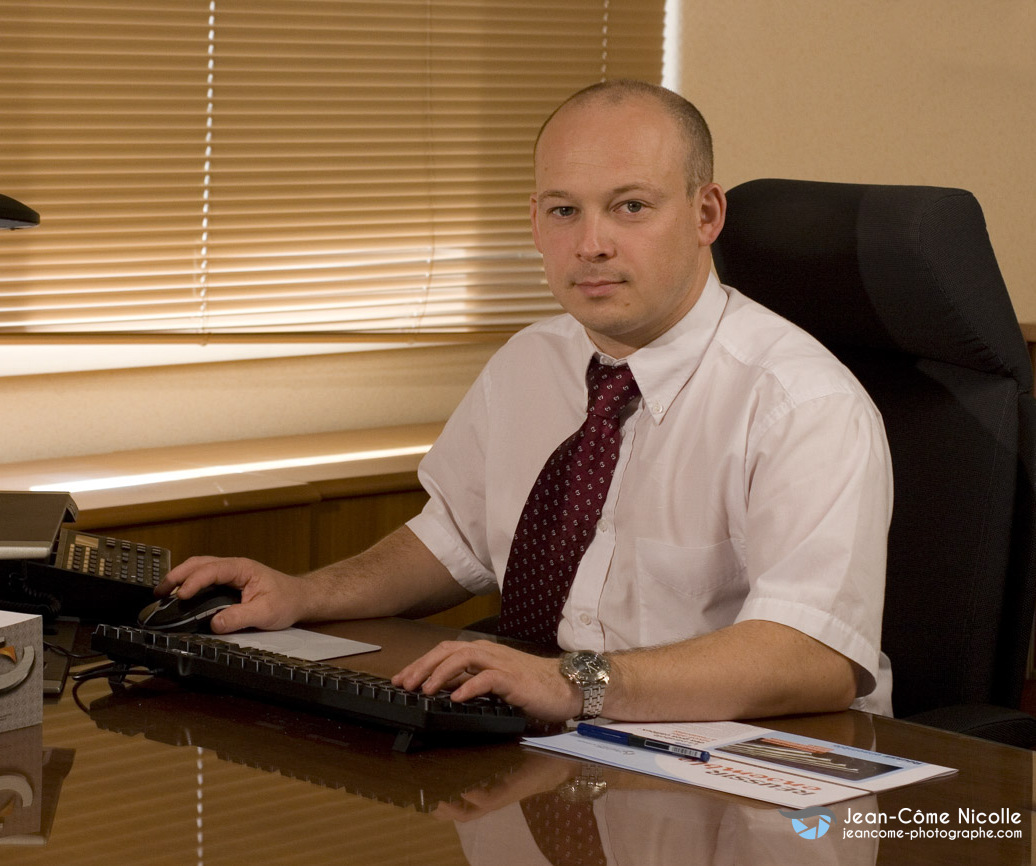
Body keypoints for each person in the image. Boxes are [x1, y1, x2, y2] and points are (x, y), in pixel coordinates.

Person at [157, 79, 893, 724]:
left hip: (743, 756)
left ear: (706, 215)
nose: (592, 243)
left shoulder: (801, 404)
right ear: (535, 221)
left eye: (631, 206)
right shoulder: (529, 362)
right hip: (554, 732)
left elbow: (814, 655)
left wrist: (575, 683)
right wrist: (303, 594)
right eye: (564, 210)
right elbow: (454, 540)